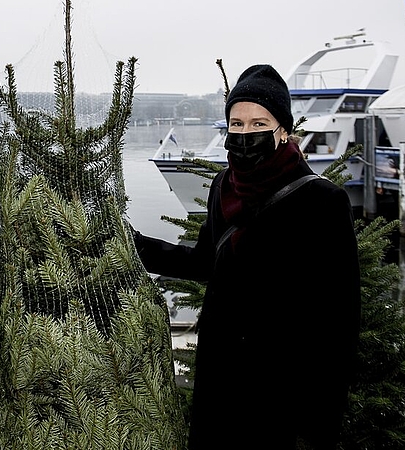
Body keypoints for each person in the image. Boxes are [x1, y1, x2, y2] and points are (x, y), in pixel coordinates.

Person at [133, 65, 360, 449]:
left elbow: (340, 323)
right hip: (220, 379)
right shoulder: (224, 187)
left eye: (258, 123)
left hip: (282, 393)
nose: (244, 134)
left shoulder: (322, 201)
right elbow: (206, 262)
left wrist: (316, 428)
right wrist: (137, 246)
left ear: (283, 130)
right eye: (235, 124)